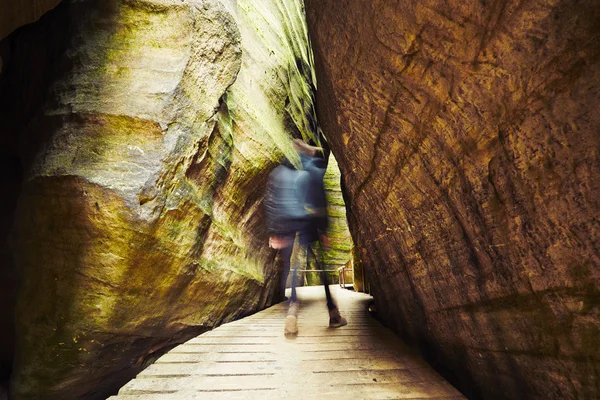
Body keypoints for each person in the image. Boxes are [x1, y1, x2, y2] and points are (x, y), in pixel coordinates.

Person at [283, 139, 347, 334]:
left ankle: (292, 312)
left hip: (301, 222)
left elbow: (293, 201)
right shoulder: (316, 173)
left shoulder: (298, 176)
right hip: (315, 223)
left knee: (297, 265)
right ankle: (333, 313)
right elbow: (321, 204)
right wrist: (325, 229)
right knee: (323, 269)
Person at [264, 157, 307, 303]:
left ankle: (274, 294)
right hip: (291, 224)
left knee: (272, 260)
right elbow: (300, 201)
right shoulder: (297, 176)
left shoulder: (275, 174)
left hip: (278, 223)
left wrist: (272, 230)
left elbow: (269, 201)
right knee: (287, 261)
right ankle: (283, 295)